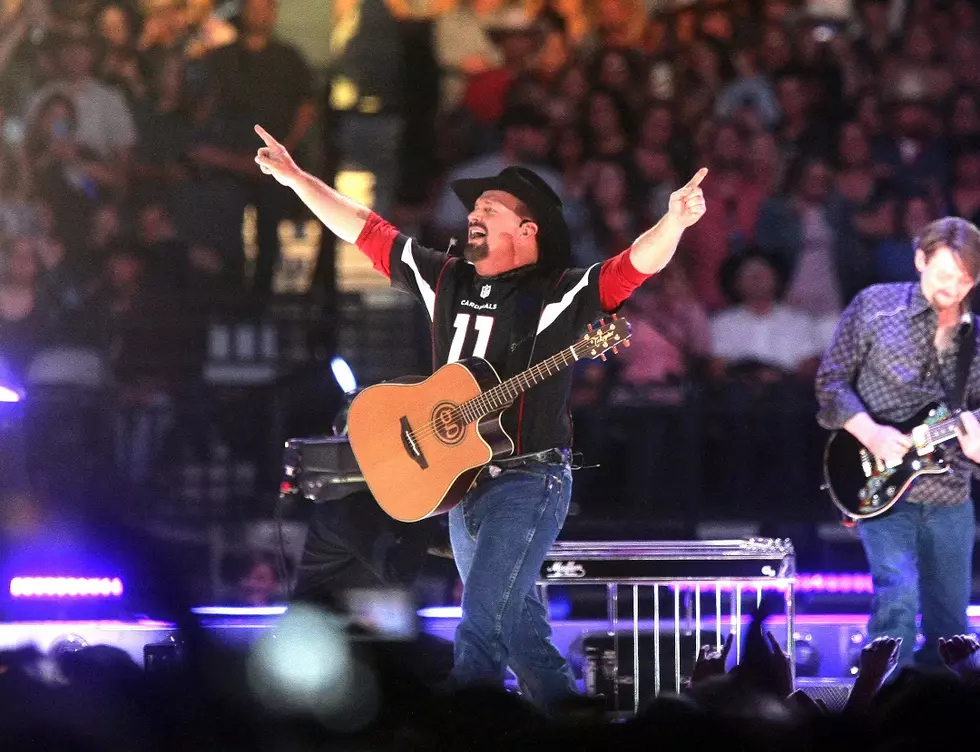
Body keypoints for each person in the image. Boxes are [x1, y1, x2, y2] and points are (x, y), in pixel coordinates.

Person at [253, 123, 707, 712]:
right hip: (460, 481)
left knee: (482, 621)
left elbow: (630, 268)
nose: (473, 213)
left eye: (488, 208)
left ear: (526, 229)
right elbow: (365, 228)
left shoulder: (554, 294)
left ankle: (463, 726)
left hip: (528, 479)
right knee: (521, 633)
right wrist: (295, 178)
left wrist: (672, 222)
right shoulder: (446, 277)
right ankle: (577, 726)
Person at [815, 216, 980, 669]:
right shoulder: (875, 307)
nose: (953, 288)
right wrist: (869, 431)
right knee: (898, 604)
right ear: (919, 260)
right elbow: (831, 383)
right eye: (944, 275)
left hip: (949, 493)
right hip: (878, 485)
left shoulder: (977, 339)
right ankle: (885, 715)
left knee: (952, 624)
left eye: (965, 280)